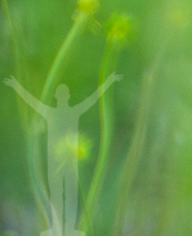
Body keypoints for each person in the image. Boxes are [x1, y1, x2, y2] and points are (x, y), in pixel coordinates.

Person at [6, 74, 121, 236]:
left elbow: (92, 100)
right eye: (59, 94)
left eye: (64, 94)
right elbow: (33, 102)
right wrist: (17, 86)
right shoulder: (50, 111)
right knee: (55, 194)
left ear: (67, 96)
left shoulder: (74, 110)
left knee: (73, 195)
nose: (61, 97)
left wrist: (107, 82)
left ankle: (71, 230)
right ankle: (56, 230)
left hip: (67, 160)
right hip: (55, 161)